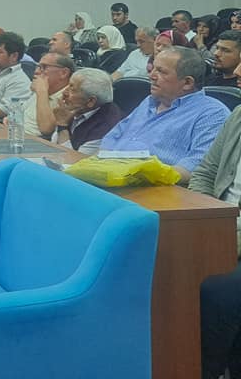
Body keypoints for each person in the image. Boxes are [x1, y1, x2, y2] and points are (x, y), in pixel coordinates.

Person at [90, 47, 230, 181]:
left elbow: (196, 169)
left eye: (161, 71)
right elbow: (113, 138)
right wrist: (91, 168)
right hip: (109, 176)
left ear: (187, 83)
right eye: (153, 69)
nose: (151, 76)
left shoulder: (212, 114)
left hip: (152, 186)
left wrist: (134, 176)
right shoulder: (150, 101)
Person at [188, 62, 241, 379]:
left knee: (214, 289)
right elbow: (204, 174)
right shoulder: (238, 116)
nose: (238, 71)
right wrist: (207, 222)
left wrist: (224, 235)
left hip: (231, 238)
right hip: (219, 227)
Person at [52, 68, 124, 151]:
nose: (64, 93)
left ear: (91, 101)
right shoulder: (78, 108)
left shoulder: (107, 127)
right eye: (68, 86)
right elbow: (53, 143)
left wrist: (62, 126)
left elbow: (73, 158)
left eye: (72, 89)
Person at [24, 53, 74, 138]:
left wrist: (42, 92)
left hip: (33, 142)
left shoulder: (69, 98)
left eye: (44, 67)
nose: (36, 71)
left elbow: (46, 130)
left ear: (64, 73)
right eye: (38, 66)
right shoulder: (43, 88)